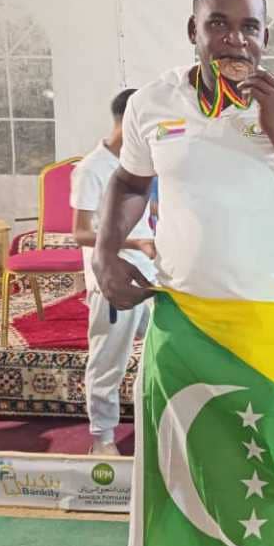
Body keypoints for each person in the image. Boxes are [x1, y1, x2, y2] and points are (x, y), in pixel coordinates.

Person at [93, 0, 274, 308]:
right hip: (182, 310)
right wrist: (104, 250)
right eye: (218, 24)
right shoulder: (151, 102)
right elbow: (130, 183)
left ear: (264, 36)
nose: (236, 39)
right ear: (193, 30)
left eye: (249, 27)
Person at [71, 88, 156, 455]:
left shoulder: (142, 162)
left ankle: (155, 424)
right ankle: (102, 439)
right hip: (112, 274)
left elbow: (148, 214)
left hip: (151, 270)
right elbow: (79, 232)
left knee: (161, 351)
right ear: (129, 121)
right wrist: (134, 244)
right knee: (109, 358)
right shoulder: (91, 168)